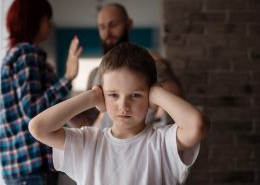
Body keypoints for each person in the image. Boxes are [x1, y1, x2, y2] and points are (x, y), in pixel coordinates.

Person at [29, 42, 210, 185]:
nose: (123, 105)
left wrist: (157, 93)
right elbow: (38, 128)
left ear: (149, 95)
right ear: (103, 93)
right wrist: (91, 97)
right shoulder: (88, 141)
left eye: (135, 95)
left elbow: (197, 126)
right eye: (113, 95)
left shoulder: (162, 143)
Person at [0, 0, 82, 184]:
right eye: (47, 19)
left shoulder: (18, 55)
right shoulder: (26, 54)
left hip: (21, 165)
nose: (50, 25)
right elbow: (33, 111)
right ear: (33, 20)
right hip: (31, 165)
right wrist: (68, 77)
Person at [68, 3, 183, 128]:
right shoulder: (95, 73)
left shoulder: (149, 61)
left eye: (113, 25)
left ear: (129, 24)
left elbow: (174, 93)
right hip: (105, 142)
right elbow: (88, 121)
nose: (107, 33)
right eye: (102, 27)